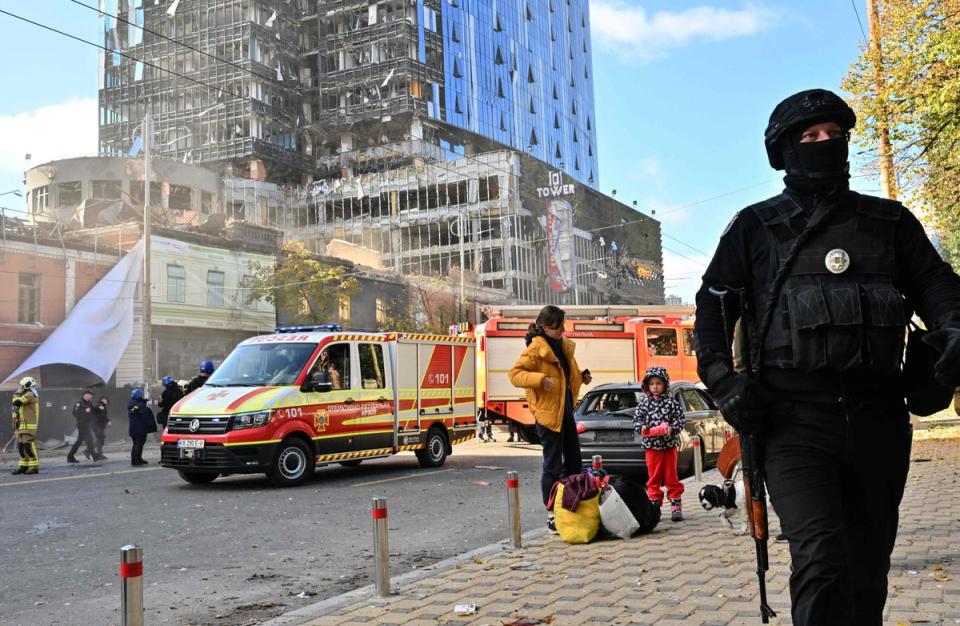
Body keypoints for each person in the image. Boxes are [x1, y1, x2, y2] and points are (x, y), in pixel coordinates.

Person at [694, 88, 960, 626]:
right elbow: (712, 309)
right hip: (793, 424)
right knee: (821, 558)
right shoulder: (755, 226)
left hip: (879, 421)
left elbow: (937, 285)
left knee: (867, 568)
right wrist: (723, 383)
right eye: (810, 137)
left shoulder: (890, 223)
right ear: (785, 151)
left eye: (835, 135)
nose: (824, 144)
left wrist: (953, 328)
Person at [509, 305, 592, 532]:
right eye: (558, 326)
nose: (562, 330)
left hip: (566, 412)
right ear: (545, 326)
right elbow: (515, 375)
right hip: (547, 416)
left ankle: (572, 505)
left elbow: (568, 375)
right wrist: (540, 380)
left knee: (575, 461)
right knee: (553, 465)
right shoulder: (536, 348)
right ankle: (551, 514)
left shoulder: (563, 347)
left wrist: (582, 377)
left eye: (563, 325)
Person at [632, 367, 685, 521]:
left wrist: (671, 428)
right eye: (652, 384)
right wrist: (641, 427)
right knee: (653, 478)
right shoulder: (643, 404)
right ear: (647, 386)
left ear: (665, 385)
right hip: (651, 447)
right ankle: (654, 506)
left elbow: (680, 419)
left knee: (671, 477)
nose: (655, 387)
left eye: (659, 383)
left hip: (669, 447)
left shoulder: (671, 402)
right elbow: (637, 420)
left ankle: (676, 506)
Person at [11, 377, 40, 475]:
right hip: (22, 426)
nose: (20, 387)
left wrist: (16, 393)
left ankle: (34, 467)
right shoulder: (25, 395)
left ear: (26, 385)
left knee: (29, 446)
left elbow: (17, 402)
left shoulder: (30, 394)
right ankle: (24, 466)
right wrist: (15, 419)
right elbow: (17, 409)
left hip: (29, 426)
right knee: (22, 447)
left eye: (22, 386)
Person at [68, 390, 104, 463]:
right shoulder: (79, 403)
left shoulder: (89, 403)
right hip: (82, 425)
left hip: (87, 424)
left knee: (80, 441)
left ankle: (70, 457)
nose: (92, 396)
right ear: (86, 395)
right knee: (89, 440)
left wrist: (98, 408)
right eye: (90, 395)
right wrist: (85, 412)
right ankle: (95, 456)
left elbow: (93, 411)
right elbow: (74, 413)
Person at [127, 388, 157, 466]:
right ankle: (137, 460)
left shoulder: (132, 404)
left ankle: (135, 459)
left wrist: (143, 402)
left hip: (133, 428)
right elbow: (145, 416)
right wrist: (151, 425)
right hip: (140, 428)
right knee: (139, 444)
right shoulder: (140, 405)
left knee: (135, 444)